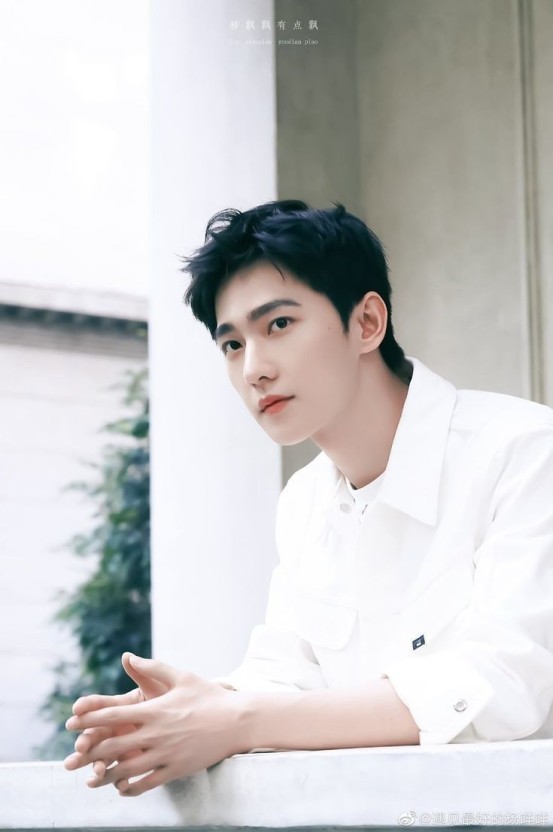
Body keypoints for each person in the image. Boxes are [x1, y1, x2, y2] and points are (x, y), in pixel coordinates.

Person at [63, 199, 553, 797]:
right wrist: (184, 711)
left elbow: (504, 684)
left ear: (366, 322)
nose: (254, 369)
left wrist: (236, 720)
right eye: (231, 345)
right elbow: (284, 676)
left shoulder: (525, 453)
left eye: (278, 325)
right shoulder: (305, 501)